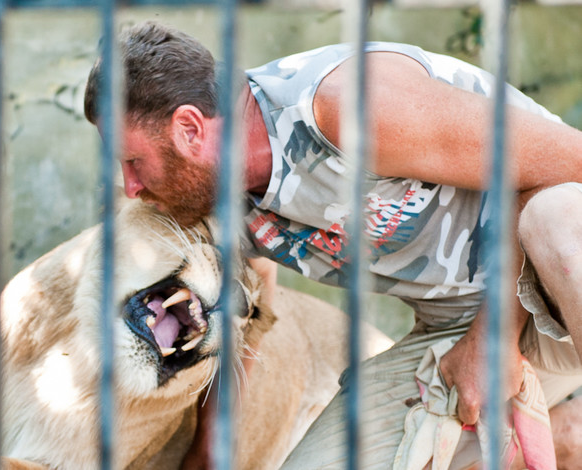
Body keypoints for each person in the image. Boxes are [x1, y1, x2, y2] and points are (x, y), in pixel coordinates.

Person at [83, 21, 582, 468]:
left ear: (189, 128)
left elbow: (571, 161)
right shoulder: (215, 199)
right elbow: (250, 305)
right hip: (459, 328)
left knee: (554, 214)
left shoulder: (346, 107)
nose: (130, 187)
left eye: (133, 162)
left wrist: (491, 341)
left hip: (557, 271)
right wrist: (213, 449)